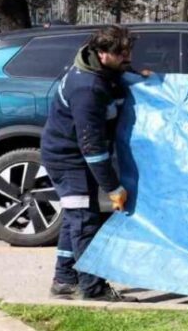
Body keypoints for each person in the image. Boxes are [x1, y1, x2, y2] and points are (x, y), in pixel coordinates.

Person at [41, 25, 151, 301]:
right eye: (121, 53)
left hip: (74, 156)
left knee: (75, 220)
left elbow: (117, 78)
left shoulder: (99, 70)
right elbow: (92, 148)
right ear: (102, 54)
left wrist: (139, 76)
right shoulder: (87, 88)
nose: (127, 57)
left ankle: (64, 279)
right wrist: (113, 188)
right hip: (70, 160)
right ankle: (93, 289)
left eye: (129, 51)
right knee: (84, 222)